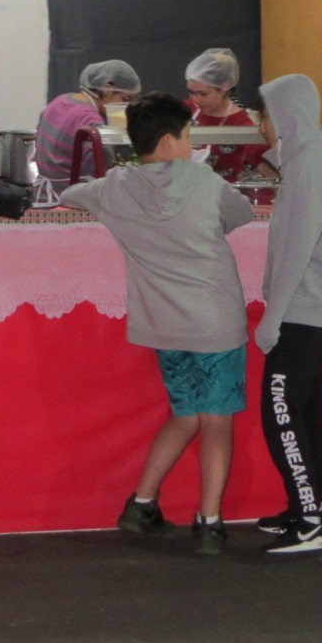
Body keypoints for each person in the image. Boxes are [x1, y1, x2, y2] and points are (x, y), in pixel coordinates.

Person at [61, 91, 254, 556]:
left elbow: (68, 195)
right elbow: (242, 213)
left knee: (186, 413)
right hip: (216, 321)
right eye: (188, 137)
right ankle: (209, 523)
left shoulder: (114, 187)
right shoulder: (204, 180)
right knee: (217, 421)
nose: (192, 145)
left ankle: (142, 504)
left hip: (164, 325)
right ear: (169, 141)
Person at [253, 73, 322, 556]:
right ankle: (313, 505)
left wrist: (272, 319)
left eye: (267, 114)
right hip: (314, 314)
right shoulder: (312, 163)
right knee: (307, 412)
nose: (262, 124)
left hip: (300, 316)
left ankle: (310, 519)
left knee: (281, 414)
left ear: (287, 115)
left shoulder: (307, 170)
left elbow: (295, 251)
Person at [33, 59, 141, 192]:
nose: (125, 107)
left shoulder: (59, 101)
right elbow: (97, 172)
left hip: (43, 193)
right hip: (68, 196)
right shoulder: (90, 120)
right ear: (108, 89)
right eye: (125, 99)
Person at [184, 47, 275, 183]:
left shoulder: (242, 125)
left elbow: (270, 174)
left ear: (224, 87)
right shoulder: (183, 110)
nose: (196, 100)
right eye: (192, 92)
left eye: (203, 94)